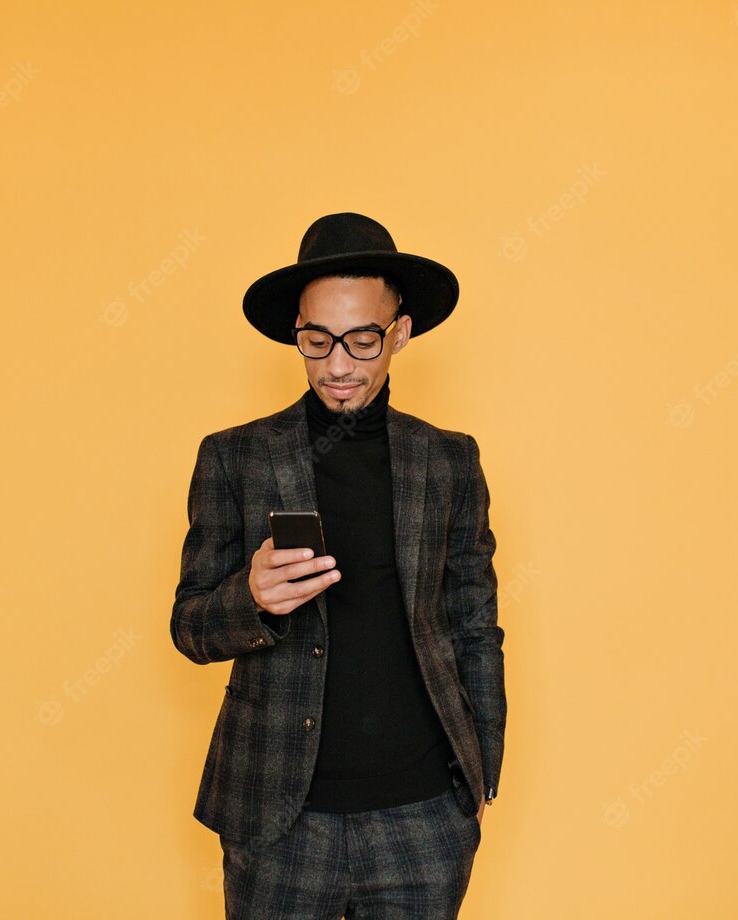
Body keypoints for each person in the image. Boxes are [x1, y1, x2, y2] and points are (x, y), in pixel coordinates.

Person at [170, 211, 506, 919]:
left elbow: (475, 623)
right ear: (297, 330)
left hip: (423, 820)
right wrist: (249, 596)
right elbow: (190, 626)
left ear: (401, 333)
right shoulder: (234, 456)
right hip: (277, 821)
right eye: (316, 339)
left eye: (362, 339)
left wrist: (479, 781)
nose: (339, 363)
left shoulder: (449, 459)